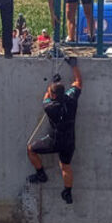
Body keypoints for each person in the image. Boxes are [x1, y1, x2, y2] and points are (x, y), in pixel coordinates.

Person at [27, 56, 83, 205]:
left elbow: (46, 97)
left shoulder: (49, 107)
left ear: (53, 95)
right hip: (70, 141)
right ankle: (67, 192)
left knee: (30, 149)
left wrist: (52, 84)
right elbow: (78, 82)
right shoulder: (71, 99)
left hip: (55, 140)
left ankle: (41, 174)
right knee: (65, 166)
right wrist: (74, 66)